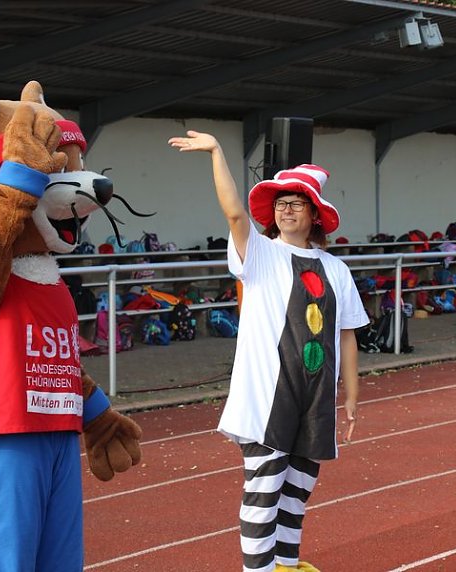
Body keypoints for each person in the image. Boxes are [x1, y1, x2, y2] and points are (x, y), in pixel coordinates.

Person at [168, 131, 368, 572]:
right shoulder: (259, 254)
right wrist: (218, 153)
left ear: (316, 214)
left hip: (314, 401)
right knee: (264, 492)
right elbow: (235, 213)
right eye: (281, 203)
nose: (287, 209)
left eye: (297, 202)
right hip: (267, 399)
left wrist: (350, 397)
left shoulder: (336, 269)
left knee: (296, 497)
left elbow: (347, 335)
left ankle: (286, 566)